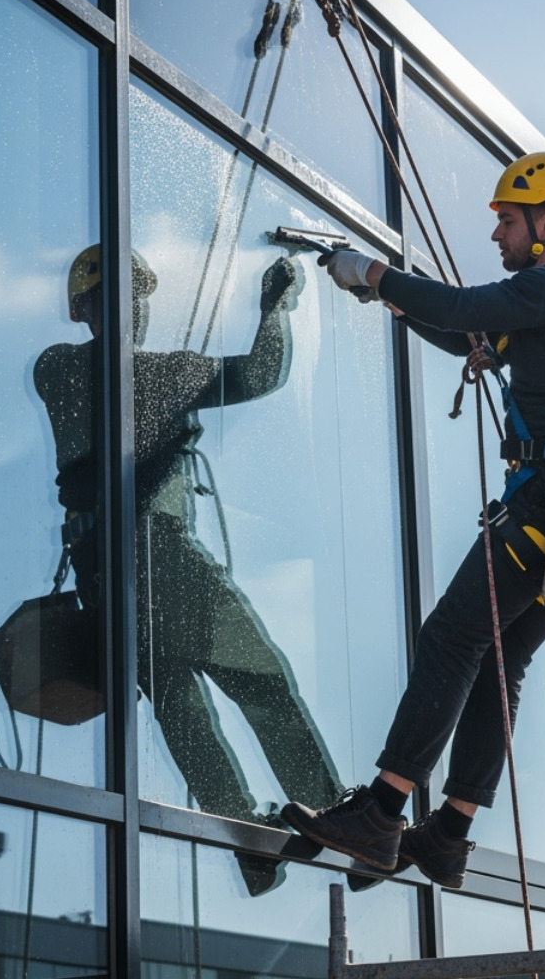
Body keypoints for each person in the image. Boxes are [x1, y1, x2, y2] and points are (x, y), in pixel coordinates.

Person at [280, 153, 545, 889]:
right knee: (499, 662)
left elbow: (466, 309)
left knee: (452, 638)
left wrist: (375, 274)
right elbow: (465, 333)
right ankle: (448, 832)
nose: (499, 235)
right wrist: (387, 298)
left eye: (508, 221)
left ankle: (381, 814)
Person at [34, 244, 342, 896]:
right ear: (86, 308)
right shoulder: (68, 367)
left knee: (181, 706)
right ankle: (338, 822)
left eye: (140, 297)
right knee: (260, 676)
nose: (136, 309)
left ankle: (251, 848)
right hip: (159, 557)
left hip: (105, 578)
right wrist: (277, 307)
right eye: (121, 296)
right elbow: (260, 376)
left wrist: (269, 315)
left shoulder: (107, 373)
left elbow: (245, 377)